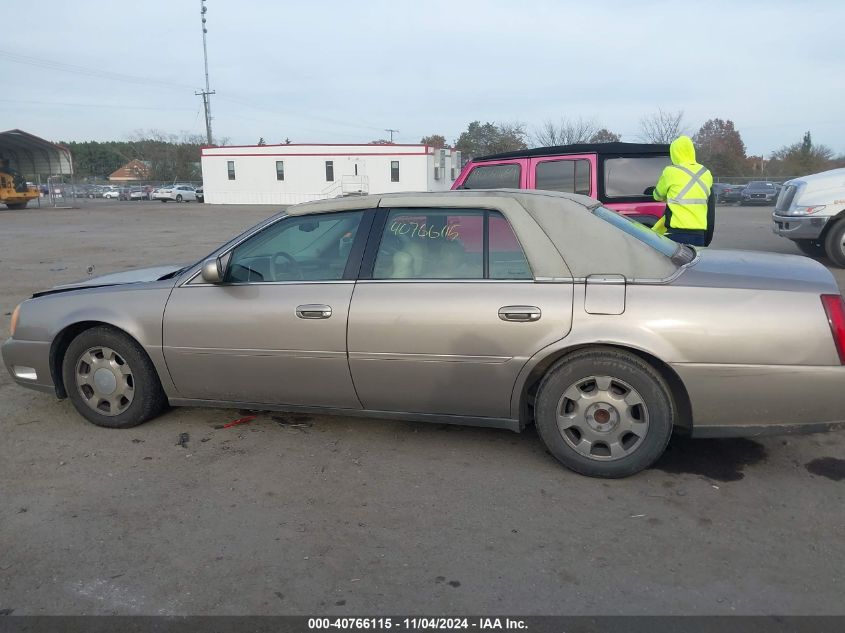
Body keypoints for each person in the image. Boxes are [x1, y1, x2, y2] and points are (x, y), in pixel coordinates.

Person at [651, 135, 713, 246]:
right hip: (699, 235)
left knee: (670, 264)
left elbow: (657, 196)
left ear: (674, 153)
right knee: (694, 263)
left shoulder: (670, 171)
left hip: (676, 234)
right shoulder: (706, 172)